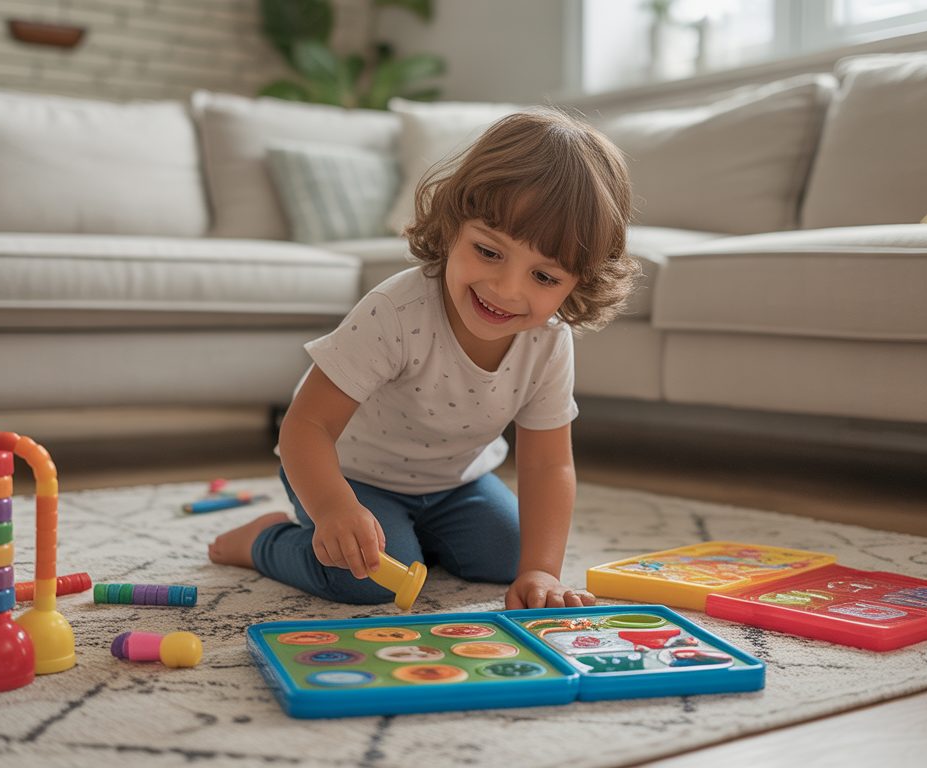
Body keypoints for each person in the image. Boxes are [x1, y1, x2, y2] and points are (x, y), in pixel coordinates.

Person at [209, 109, 638, 609]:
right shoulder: (395, 311)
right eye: (489, 251)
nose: (505, 289)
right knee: (365, 580)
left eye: (544, 278)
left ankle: (412, 540)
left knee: (513, 558)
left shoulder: (548, 340)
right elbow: (306, 427)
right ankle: (265, 541)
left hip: (456, 482)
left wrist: (542, 570)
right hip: (346, 474)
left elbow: (547, 466)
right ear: (454, 225)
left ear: (577, 283)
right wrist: (332, 508)